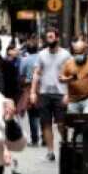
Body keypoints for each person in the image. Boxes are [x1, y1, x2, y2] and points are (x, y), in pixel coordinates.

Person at [30, 29, 72, 161]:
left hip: (61, 93)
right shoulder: (42, 54)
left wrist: (68, 94)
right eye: (47, 37)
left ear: (57, 38)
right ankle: (50, 151)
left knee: (61, 123)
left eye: (51, 37)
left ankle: (66, 145)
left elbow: (72, 74)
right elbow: (36, 73)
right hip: (44, 93)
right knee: (46, 124)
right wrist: (33, 92)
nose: (49, 40)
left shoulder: (66, 55)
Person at [59, 39, 88, 115]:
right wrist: (69, 79)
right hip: (73, 100)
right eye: (76, 53)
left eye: (80, 52)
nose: (78, 55)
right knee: (74, 123)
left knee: (87, 121)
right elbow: (61, 79)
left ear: (85, 51)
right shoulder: (68, 63)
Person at [18, 39, 42, 146]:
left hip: (29, 87)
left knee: (32, 114)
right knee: (43, 113)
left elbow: (21, 75)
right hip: (42, 87)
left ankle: (35, 139)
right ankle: (45, 138)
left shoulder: (25, 60)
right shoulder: (42, 58)